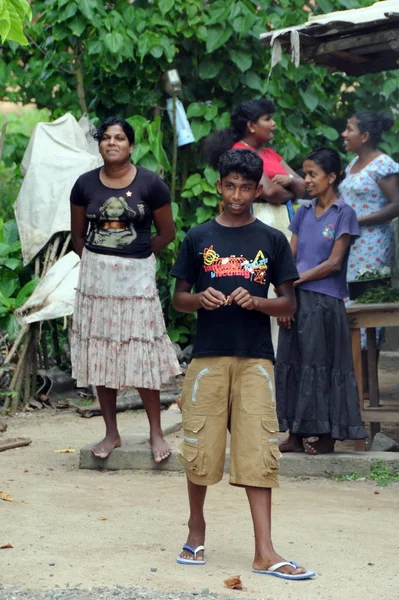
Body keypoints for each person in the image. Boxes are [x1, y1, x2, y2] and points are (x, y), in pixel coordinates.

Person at [171, 149, 314, 580]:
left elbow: (289, 301)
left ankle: (265, 551)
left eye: (246, 188)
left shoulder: (271, 240)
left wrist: (259, 302)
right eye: (230, 186)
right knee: (200, 450)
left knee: (259, 452)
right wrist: (200, 298)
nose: (237, 195)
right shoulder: (198, 237)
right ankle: (196, 531)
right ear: (219, 185)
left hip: (255, 360)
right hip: (208, 359)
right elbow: (178, 300)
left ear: (258, 190)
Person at [70, 116, 181, 462]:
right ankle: (111, 433)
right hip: (96, 281)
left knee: (142, 353)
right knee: (102, 353)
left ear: (131, 146)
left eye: (119, 138)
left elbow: (167, 233)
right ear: (99, 144)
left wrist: (137, 256)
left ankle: (156, 434)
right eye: (106, 137)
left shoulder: (151, 184)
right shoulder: (84, 184)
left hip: (137, 279)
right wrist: (100, 262)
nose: (112, 142)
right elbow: (77, 237)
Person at [276, 148, 367, 455]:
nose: (307, 180)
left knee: (322, 364)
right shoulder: (302, 211)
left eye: (313, 174)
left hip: (325, 301)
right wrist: (285, 293)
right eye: (305, 174)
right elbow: (290, 255)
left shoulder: (344, 214)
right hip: (297, 298)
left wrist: (296, 281)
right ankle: (296, 434)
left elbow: (334, 263)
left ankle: (328, 435)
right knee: (293, 361)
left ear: (332, 177)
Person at [203, 99, 306, 352]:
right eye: (267, 118)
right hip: (261, 219)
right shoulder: (242, 152)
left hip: (284, 223)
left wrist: (290, 180)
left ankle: (284, 361)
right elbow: (270, 192)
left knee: (284, 281)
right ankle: (268, 356)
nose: (273, 124)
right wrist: (288, 189)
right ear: (251, 125)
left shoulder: (269, 154)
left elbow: (305, 186)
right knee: (264, 281)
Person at [340, 112, 399, 391]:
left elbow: (397, 205)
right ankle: (356, 380)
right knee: (351, 308)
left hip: (373, 246)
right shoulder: (353, 164)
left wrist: (358, 220)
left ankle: (368, 384)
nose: (344, 133)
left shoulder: (383, 165)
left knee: (369, 310)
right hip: (351, 246)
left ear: (364, 136)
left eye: (349, 128)